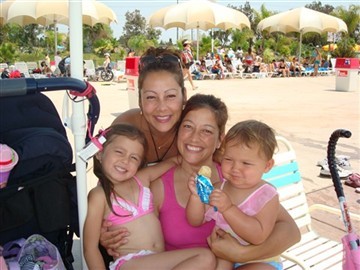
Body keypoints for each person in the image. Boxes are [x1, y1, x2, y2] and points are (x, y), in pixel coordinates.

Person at [102, 48, 300, 266]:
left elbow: (290, 230)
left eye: (206, 131)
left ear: (219, 140)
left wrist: (241, 255)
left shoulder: (232, 176)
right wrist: (105, 233)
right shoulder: (157, 182)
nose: (195, 138)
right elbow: (119, 208)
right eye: (188, 127)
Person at [84, 123, 215, 269]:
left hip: (155, 260)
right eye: (119, 152)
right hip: (130, 263)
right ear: (100, 153)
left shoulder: (141, 179)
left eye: (134, 158)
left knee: (206, 258)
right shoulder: (99, 196)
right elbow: (90, 248)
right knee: (205, 257)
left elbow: (175, 161)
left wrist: (218, 155)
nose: (125, 160)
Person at [186, 120, 282, 269]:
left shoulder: (267, 195)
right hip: (224, 255)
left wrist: (228, 209)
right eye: (229, 160)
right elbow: (195, 220)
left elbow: (258, 236)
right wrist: (196, 197)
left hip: (260, 259)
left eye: (246, 163)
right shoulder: (219, 188)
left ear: (267, 165)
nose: (235, 168)